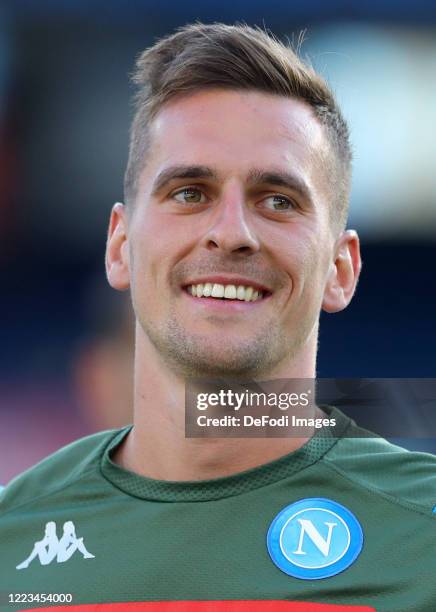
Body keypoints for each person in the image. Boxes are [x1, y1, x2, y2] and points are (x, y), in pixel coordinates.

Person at [1, 22, 435, 612]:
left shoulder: (422, 532)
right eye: (189, 192)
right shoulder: (14, 538)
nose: (231, 233)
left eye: (278, 201)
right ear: (119, 246)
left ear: (342, 268)